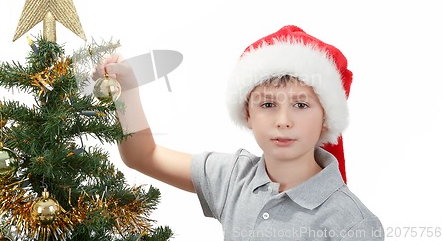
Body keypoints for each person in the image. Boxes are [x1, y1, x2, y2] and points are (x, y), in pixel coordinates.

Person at [93, 25, 384, 240]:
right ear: (247, 114)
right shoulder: (232, 177)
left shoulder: (352, 223)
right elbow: (144, 156)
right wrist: (126, 93)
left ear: (326, 118)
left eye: (301, 104)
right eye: (268, 104)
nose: (283, 120)